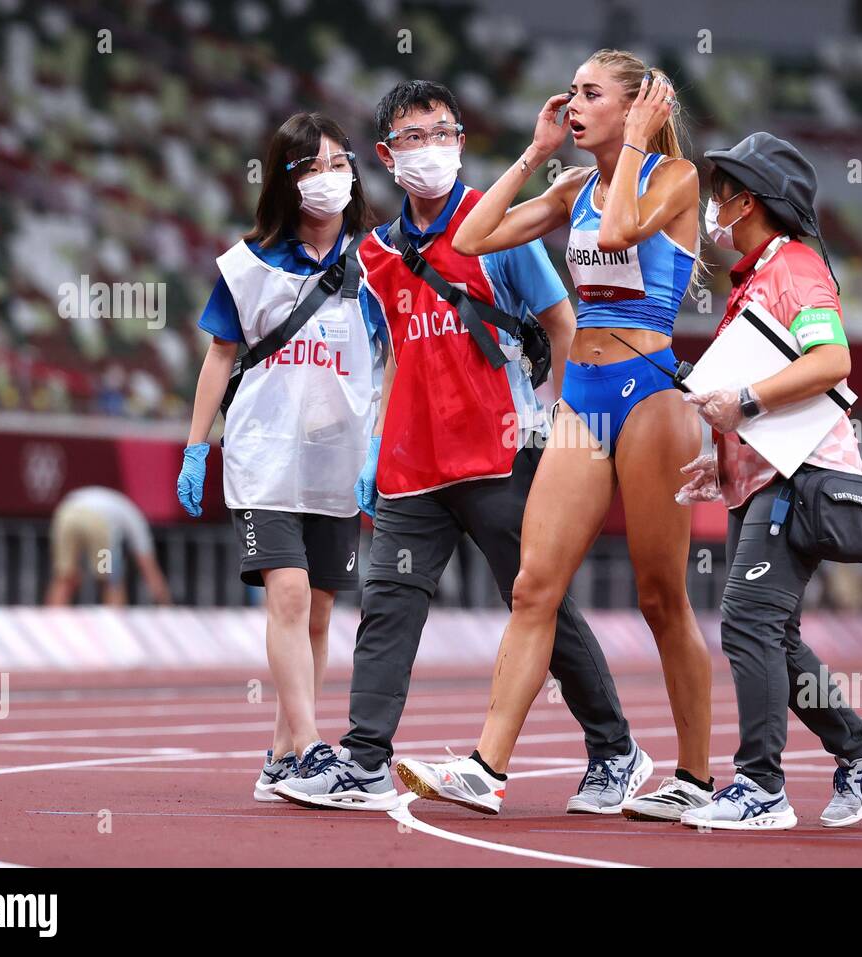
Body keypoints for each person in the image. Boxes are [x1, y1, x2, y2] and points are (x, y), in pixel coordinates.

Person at [275, 80, 642, 815]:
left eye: (444, 132)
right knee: (386, 607)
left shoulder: (495, 222)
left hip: (500, 458)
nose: (432, 148)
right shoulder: (374, 254)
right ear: (385, 154)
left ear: (462, 140)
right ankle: (365, 759)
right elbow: (383, 361)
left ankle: (615, 750)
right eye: (414, 137)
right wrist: (373, 451)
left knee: (539, 607)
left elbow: (562, 323)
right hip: (412, 468)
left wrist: (557, 419)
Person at [396, 50, 714, 821]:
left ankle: (697, 777)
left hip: (650, 398)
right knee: (534, 584)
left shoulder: (674, 181)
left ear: (638, 108)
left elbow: (619, 229)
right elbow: (469, 240)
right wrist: (536, 154)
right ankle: (486, 767)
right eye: (570, 90)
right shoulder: (572, 185)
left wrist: (639, 140)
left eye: (591, 93)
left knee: (660, 596)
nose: (573, 102)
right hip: (584, 397)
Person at [674, 131, 862, 830]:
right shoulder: (755, 275)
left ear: (747, 201)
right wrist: (721, 459)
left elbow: (832, 359)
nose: (712, 209)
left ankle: (760, 788)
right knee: (770, 633)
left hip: (799, 475)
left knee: (747, 622)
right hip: (763, 477)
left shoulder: (796, 265)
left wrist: (743, 401)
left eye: (720, 195)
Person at [176, 112, 380, 804]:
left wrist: (379, 445)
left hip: (337, 460)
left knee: (320, 609)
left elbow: (390, 360)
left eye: (337, 163)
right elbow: (219, 356)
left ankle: (281, 753)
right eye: (310, 167)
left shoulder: (376, 263)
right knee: (288, 594)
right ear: (286, 182)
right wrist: (196, 445)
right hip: (263, 455)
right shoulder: (249, 265)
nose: (328, 178)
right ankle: (312, 748)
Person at [45, 485, 172, 607]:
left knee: (64, 577)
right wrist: (165, 603)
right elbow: (148, 567)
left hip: (66, 513)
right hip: (95, 520)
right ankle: (115, 623)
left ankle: (51, 621)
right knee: (110, 580)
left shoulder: (122, 507)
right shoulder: (135, 519)